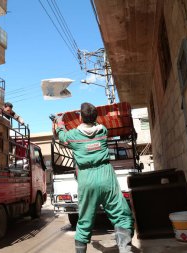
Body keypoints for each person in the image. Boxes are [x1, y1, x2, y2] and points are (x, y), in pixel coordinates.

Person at [52, 102, 134, 253]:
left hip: (86, 177)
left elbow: (61, 135)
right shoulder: (102, 131)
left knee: (85, 219)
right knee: (120, 213)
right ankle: (125, 249)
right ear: (95, 117)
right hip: (106, 174)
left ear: (82, 117)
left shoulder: (73, 136)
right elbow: (93, 125)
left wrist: (59, 121)